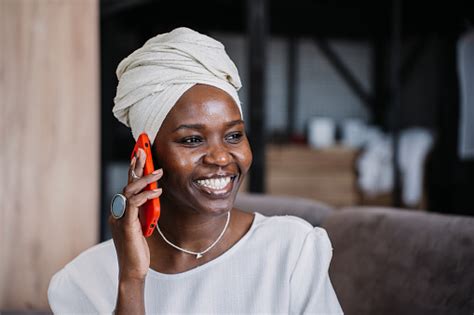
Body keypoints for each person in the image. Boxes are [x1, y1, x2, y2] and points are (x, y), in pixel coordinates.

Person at [47, 27, 343, 314]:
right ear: (144, 155)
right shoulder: (82, 282)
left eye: (234, 135)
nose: (220, 157)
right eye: (192, 140)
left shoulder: (291, 251)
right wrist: (131, 281)